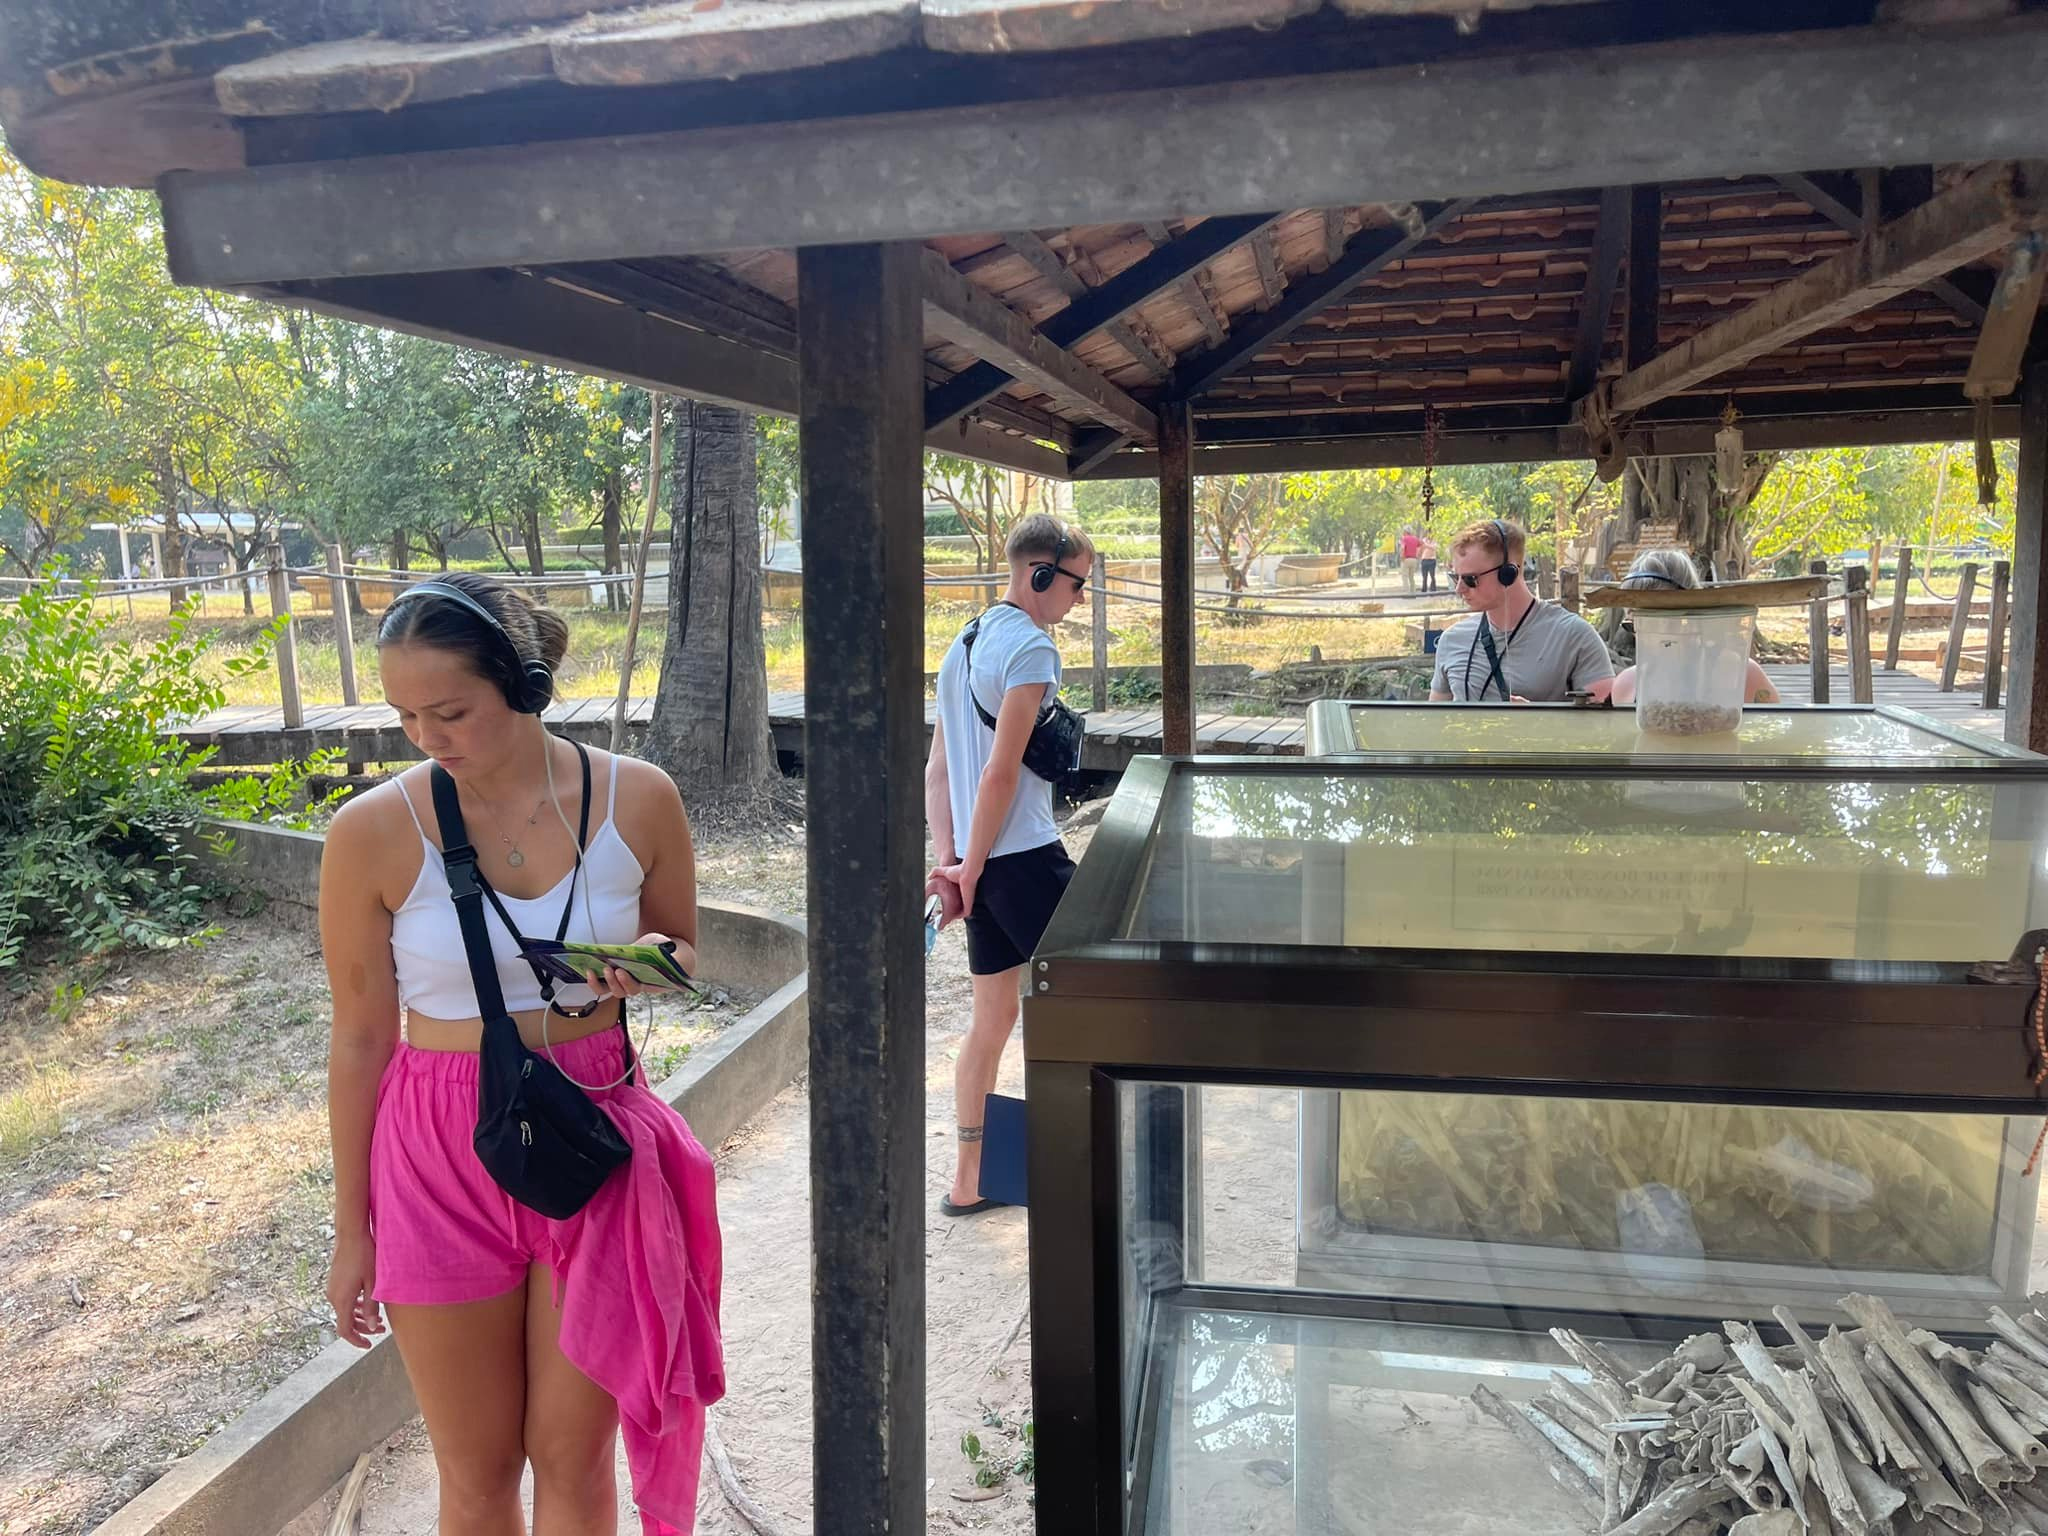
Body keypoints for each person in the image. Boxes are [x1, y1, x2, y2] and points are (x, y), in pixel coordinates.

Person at [320, 572, 721, 1536]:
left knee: (573, 1459)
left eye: (451, 711)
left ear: (526, 684)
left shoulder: (639, 799)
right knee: (479, 1470)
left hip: (593, 1133)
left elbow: (682, 953)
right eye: (405, 716)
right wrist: (351, 1229)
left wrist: (649, 966)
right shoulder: (370, 832)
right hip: (438, 1147)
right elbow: (362, 1036)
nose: (427, 737)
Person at [925, 514, 1093, 1217]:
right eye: (1077, 585)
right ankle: (1078, 1167)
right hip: (1022, 856)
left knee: (989, 1022)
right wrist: (968, 870)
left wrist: (952, 862)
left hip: (982, 861)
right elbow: (999, 773)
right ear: (1040, 574)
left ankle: (970, 1180)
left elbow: (937, 771)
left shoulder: (963, 644)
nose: (1080, 599)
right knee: (1096, 1006)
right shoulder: (1031, 649)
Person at [1429, 517, 1613, 702]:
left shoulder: (1574, 636)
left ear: (1508, 573)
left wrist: (1536, 718)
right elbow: (1434, 717)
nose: (1459, 589)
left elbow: (1605, 717)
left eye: (1470, 579)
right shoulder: (1451, 640)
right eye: (1456, 577)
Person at [1590, 548, 1782, 706]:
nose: (1642, 634)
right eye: (1633, 624)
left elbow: (1772, 733)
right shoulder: (1627, 684)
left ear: (1690, 615)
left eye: (1656, 619)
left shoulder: (1741, 674)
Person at [1398, 526, 1422, 594]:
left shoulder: (1404, 538)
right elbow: (1420, 546)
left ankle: (1407, 592)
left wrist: (1402, 556)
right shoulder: (1415, 538)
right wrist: (1418, 555)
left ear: (1405, 531)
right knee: (1411, 577)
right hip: (1414, 559)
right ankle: (1413, 592)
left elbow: (1402, 548)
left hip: (1406, 559)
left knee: (1405, 576)